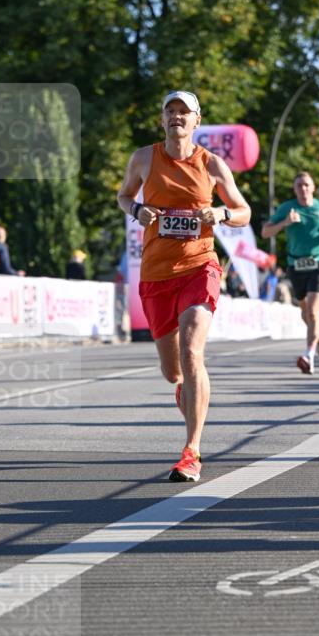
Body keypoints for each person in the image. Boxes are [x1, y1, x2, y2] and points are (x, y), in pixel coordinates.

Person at [117, 89, 251, 482]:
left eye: (184, 112)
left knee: (193, 351)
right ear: (162, 120)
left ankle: (191, 452)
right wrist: (138, 209)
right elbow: (124, 196)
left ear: (196, 120)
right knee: (172, 371)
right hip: (157, 273)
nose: (177, 117)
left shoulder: (211, 165)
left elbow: (244, 211)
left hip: (199, 266)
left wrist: (221, 212)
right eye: (170, 111)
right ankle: (183, 392)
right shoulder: (143, 158)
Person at [262, 172, 319, 375]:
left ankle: (309, 356)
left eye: (306, 185)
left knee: (312, 311)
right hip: (296, 265)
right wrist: (284, 222)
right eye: (299, 186)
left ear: (313, 187)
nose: (303, 189)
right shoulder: (287, 208)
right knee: (306, 313)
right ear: (295, 190)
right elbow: (265, 232)